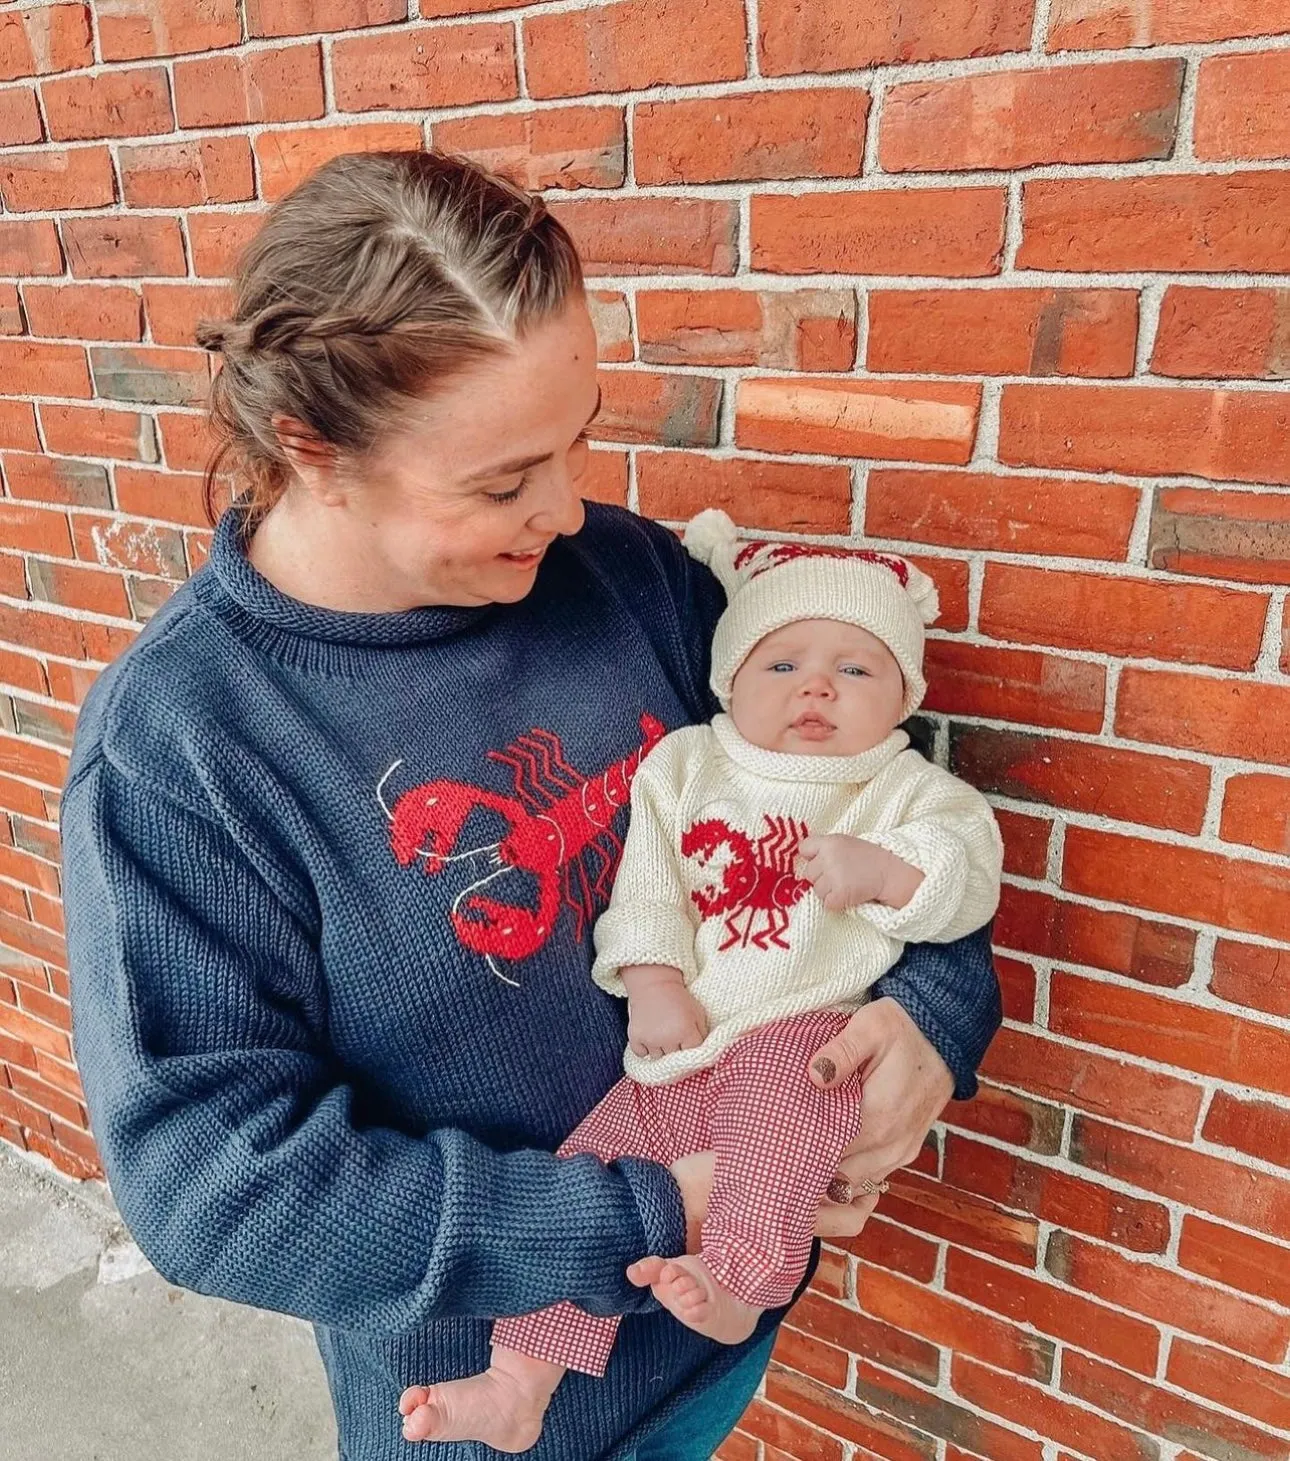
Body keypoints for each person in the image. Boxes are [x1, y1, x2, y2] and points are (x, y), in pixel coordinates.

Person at [59, 149, 1003, 1461]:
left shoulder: (626, 576)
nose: (564, 508)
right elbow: (216, 1191)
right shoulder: (182, 754)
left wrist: (929, 1019)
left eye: (577, 441)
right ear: (313, 450)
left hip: (714, 1342)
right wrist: (651, 1212)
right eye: (501, 481)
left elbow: (872, 790)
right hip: (489, 1416)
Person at [400, 510, 1003, 1451]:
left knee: (781, 1117)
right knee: (584, 1171)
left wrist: (890, 876)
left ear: (903, 695)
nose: (816, 685)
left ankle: (740, 1281)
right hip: (676, 1053)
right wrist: (651, 978)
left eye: (856, 668)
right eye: (782, 663)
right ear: (728, 679)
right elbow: (646, 884)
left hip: (804, 1032)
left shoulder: (903, 789)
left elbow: (965, 870)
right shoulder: (688, 764)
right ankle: (519, 1379)